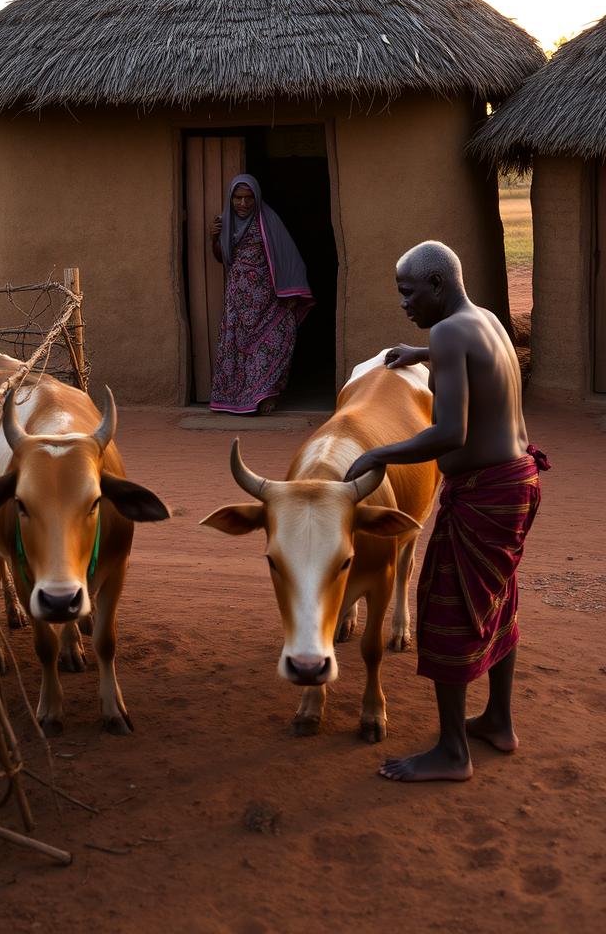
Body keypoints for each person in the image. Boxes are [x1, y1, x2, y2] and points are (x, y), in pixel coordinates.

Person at [343, 240, 547, 782]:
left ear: (437, 286)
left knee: (446, 608)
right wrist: (420, 356)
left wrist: (380, 452)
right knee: (498, 598)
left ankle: (452, 751)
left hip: (486, 492)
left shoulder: (448, 331)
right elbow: (475, 360)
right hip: (516, 480)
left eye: (408, 292)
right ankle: (498, 719)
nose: (403, 304)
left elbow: (449, 432)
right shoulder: (483, 320)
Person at [209, 174, 312, 415]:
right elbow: (222, 258)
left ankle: (266, 395)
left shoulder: (269, 221)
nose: (243, 204)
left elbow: (288, 256)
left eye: (248, 198)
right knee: (236, 347)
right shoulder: (226, 223)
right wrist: (214, 237)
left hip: (269, 299)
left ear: (256, 198)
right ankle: (235, 398)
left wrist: (291, 292)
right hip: (238, 299)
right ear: (230, 198)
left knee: (276, 341)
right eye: (238, 198)